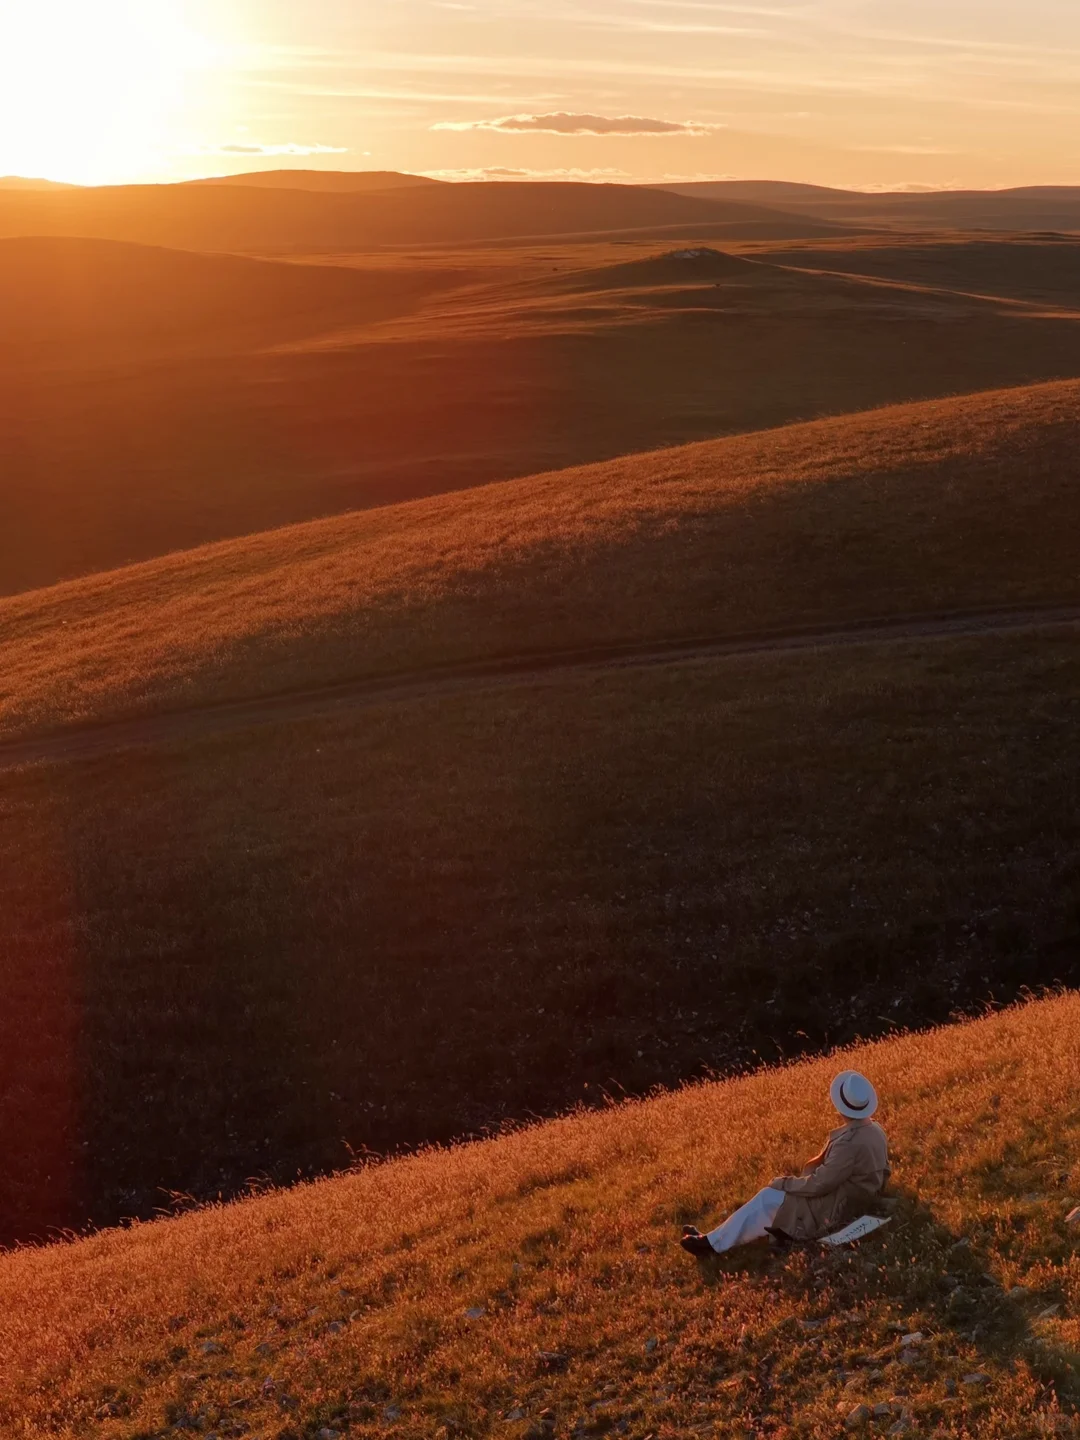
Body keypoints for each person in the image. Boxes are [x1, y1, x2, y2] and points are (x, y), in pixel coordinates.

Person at [680, 1070, 890, 1256]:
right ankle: (714, 1238)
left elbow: (820, 1184)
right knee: (772, 1200)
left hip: (839, 1205)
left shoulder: (849, 1143)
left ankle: (710, 1245)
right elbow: (883, 1170)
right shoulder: (875, 1129)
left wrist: (785, 1183)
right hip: (855, 1196)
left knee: (768, 1198)